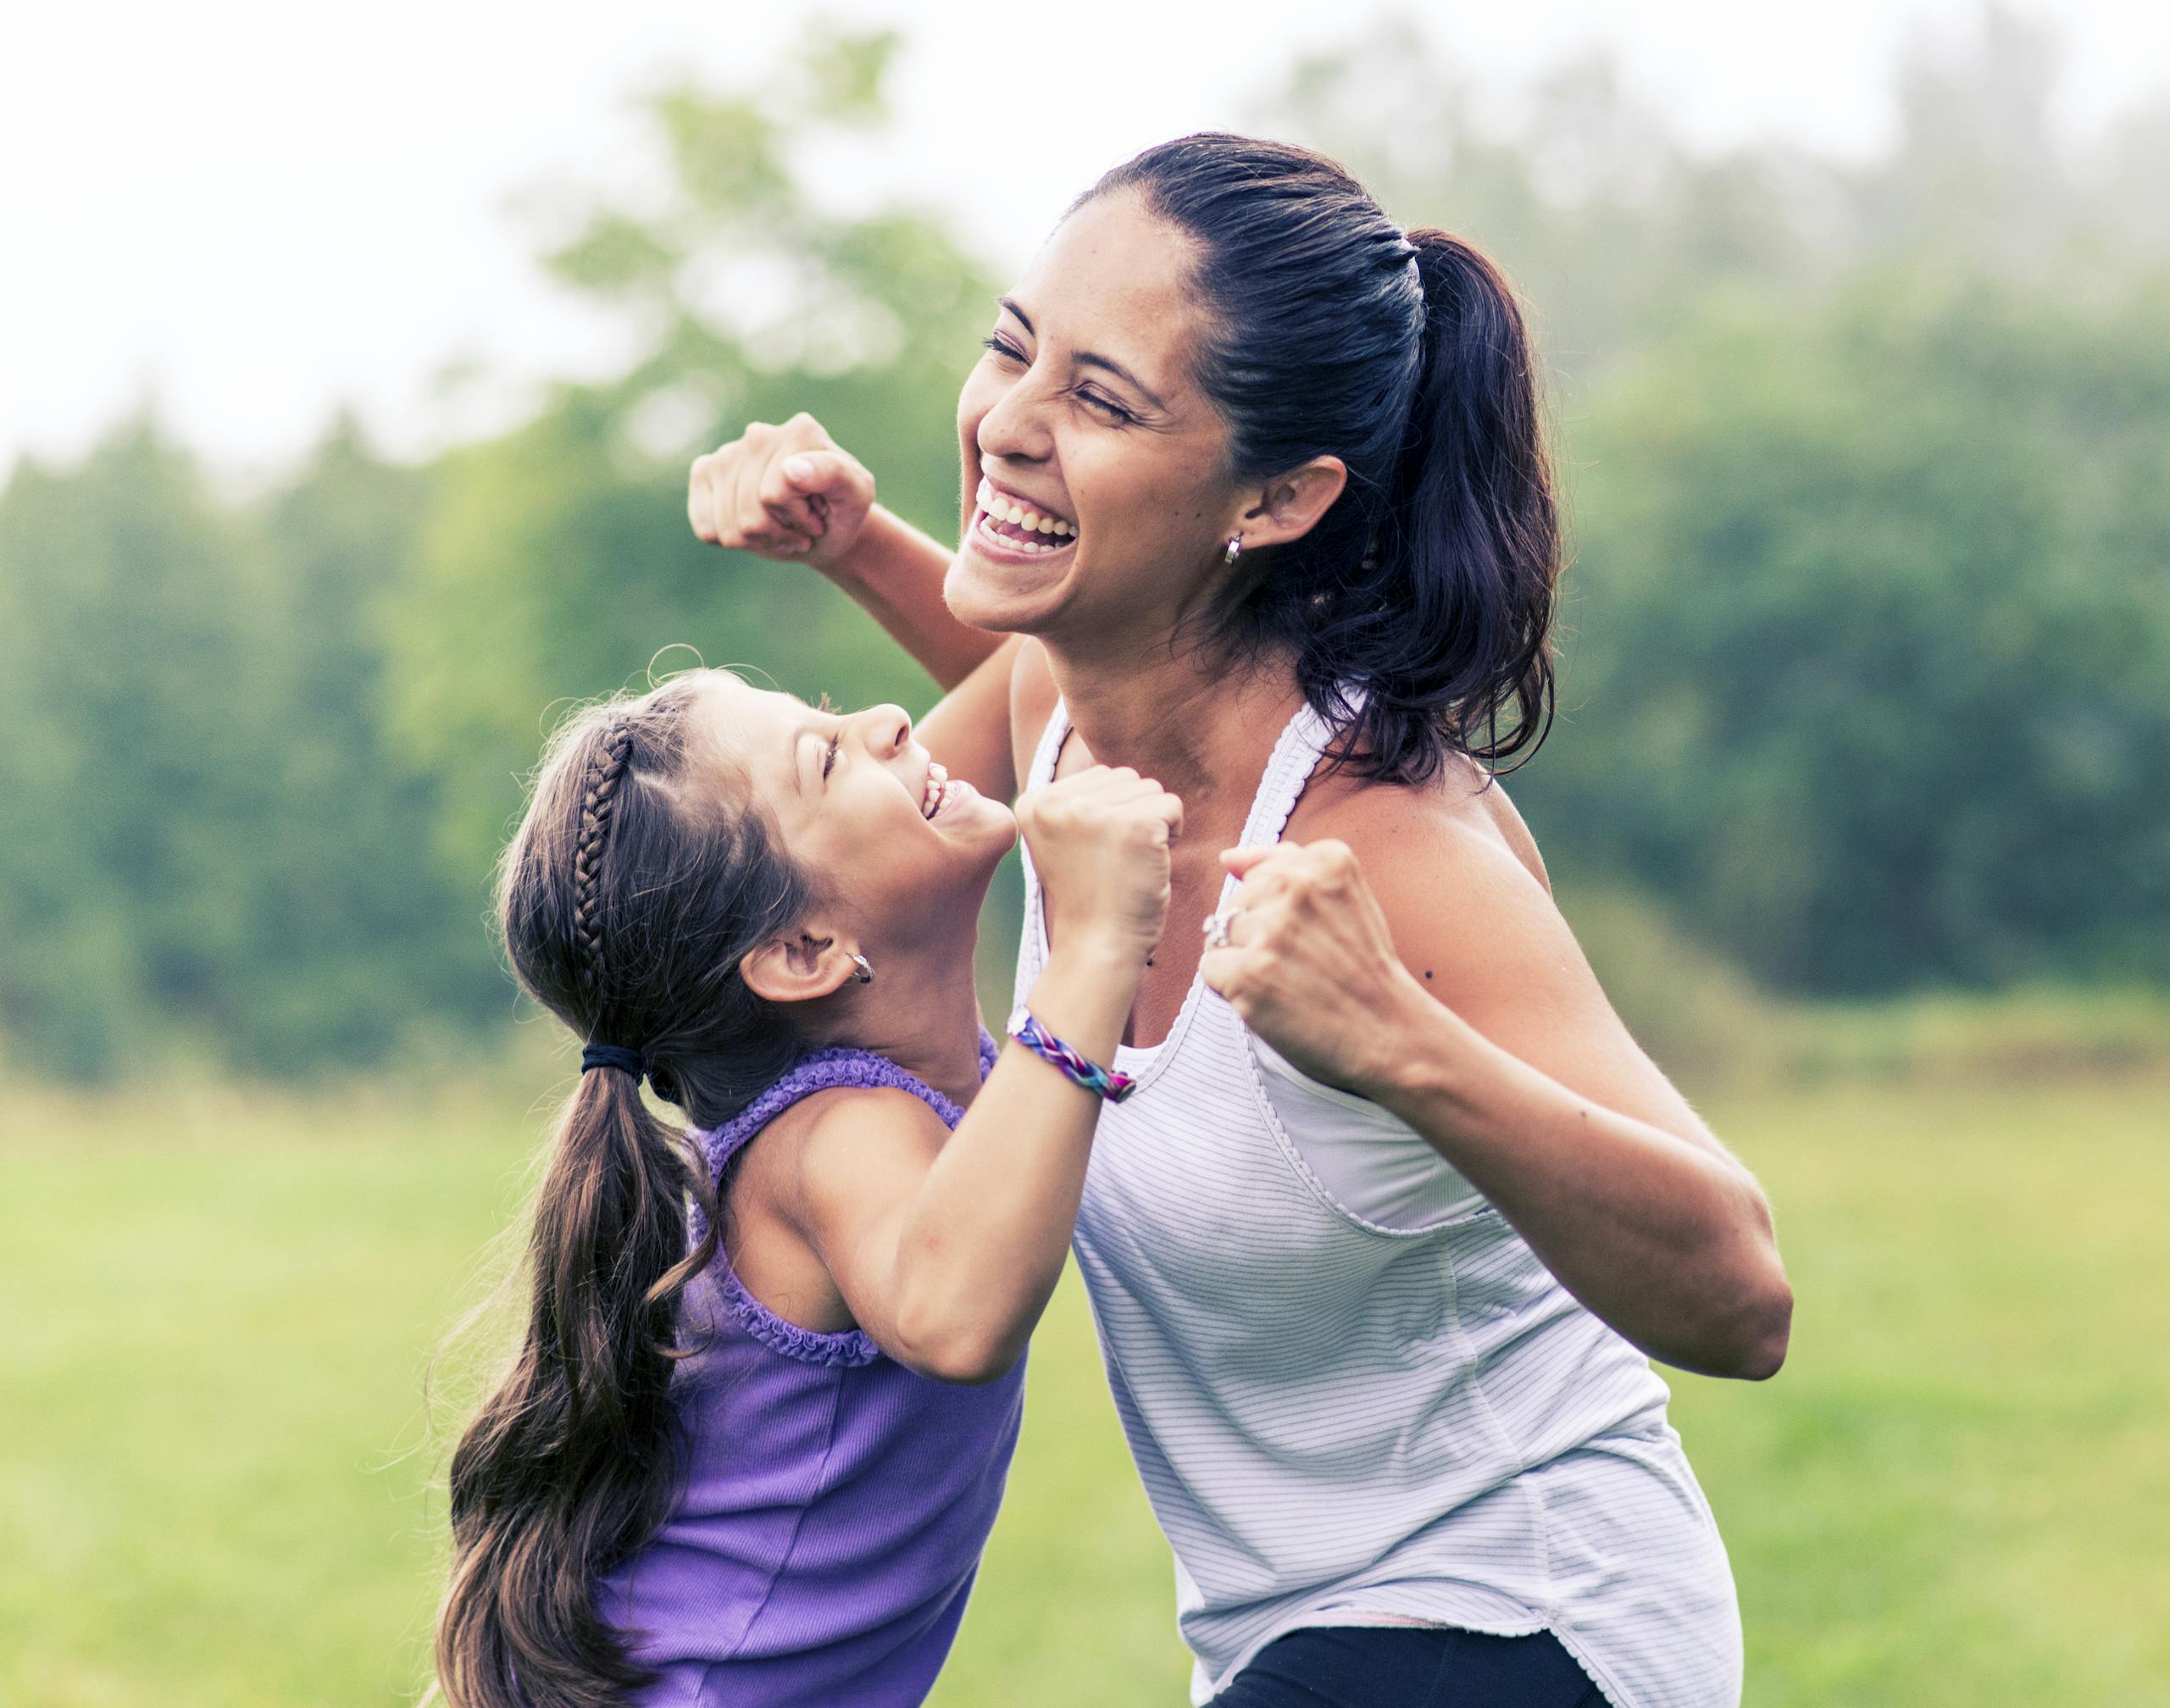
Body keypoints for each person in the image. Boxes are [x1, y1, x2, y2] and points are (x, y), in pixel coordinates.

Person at [684, 134, 1794, 1707]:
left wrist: (1400, 1045)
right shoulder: (1058, 710)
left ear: (1277, 497)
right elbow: (896, 810)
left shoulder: (1387, 852)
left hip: (1525, 1613)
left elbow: (1742, 1294)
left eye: (1101, 400)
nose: (1008, 422)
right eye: (1013, 349)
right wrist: (852, 540)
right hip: (1281, 1639)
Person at [437, 668, 1182, 1707]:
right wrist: (1098, 948)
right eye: (827, 755)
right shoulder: (833, 1131)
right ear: (802, 951)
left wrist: (858, 542)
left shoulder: (862, 1073)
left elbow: (1038, 663)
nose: (887, 721)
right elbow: (956, 1318)